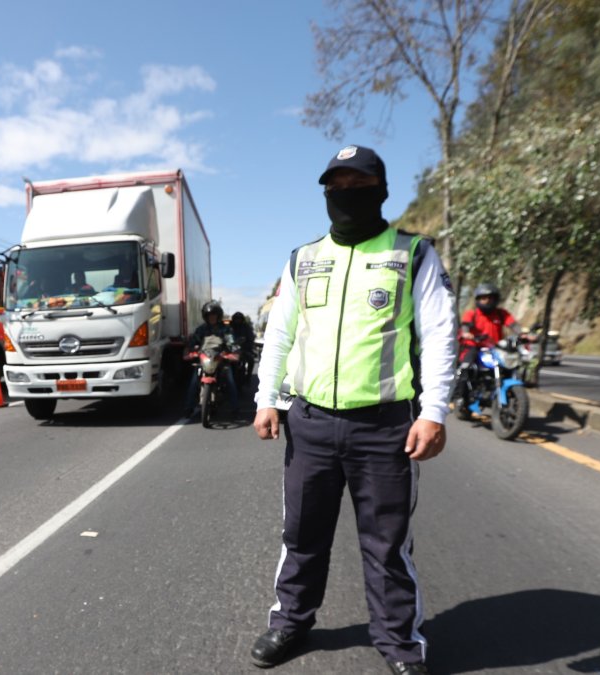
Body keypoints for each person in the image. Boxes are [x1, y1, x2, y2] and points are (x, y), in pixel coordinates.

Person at [250, 145, 456, 674]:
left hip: (385, 427)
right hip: (311, 423)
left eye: (358, 185)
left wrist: (433, 411)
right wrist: (266, 399)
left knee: (387, 545)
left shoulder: (413, 254)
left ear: (381, 190)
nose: (346, 195)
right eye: (336, 186)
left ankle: (400, 643)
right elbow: (279, 334)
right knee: (301, 535)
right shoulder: (302, 258)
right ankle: (290, 624)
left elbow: (438, 335)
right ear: (325, 193)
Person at [453, 283, 519, 407]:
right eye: (483, 298)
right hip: (474, 346)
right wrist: (466, 333)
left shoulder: (501, 313)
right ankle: (458, 397)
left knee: (511, 366)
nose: (487, 300)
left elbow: (513, 325)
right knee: (465, 368)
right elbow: (465, 325)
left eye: (490, 297)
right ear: (478, 300)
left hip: (495, 348)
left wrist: (523, 335)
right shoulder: (472, 314)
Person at [183, 300, 240, 418]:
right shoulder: (201, 329)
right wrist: (190, 352)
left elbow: (232, 343)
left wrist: (233, 353)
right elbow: (192, 342)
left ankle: (235, 409)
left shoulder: (226, 329)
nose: (212, 317)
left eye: (214, 315)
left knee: (230, 381)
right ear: (206, 316)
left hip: (220, 359)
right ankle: (188, 408)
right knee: (193, 382)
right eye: (209, 315)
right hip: (204, 359)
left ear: (218, 316)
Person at [229, 311, 257, 390]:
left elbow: (250, 338)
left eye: (239, 319)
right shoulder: (230, 327)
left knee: (251, 360)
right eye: (236, 319)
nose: (237, 320)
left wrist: (247, 346)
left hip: (244, 349)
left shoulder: (246, 327)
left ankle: (248, 378)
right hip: (231, 350)